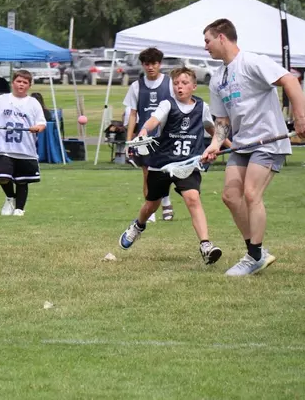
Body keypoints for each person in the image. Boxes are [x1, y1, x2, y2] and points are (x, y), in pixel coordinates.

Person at [201, 18, 305, 276]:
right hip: (242, 143)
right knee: (230, 196)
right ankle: (257, 253)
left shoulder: (253, 62)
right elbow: (222, 122)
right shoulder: (217, 79)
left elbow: (290, 81)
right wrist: (214, 145)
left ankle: (254, 255)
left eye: (207, 41)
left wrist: (301, 118)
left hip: (268, 139)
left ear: (222, 37)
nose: (205, 47)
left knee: (251, 194)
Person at [118, 67, 223, 264]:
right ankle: (138, 226)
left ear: (193, 86)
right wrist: (142, 131)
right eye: (176, 83)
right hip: (162, 164)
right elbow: (153, 120)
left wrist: (226, 145)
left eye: (184, 83)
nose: (179, 87)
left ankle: (206, 245)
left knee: (193, 198)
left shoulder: (202, 107)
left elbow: (213, 129)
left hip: (188, 163)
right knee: (151, 204)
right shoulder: (167, 104)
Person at [0, 70, 47, 216]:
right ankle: (10, 198)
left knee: (22, 181)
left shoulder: (33, 103)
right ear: (13, 82)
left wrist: (37, 128)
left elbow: (42, 123)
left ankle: (19, 209)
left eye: (25, 82)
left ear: (29, 85)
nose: (21, 85)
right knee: (3, 177)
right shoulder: (2, 99)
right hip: (4, 147)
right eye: (18, 81)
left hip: (25, 149)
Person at [123, 48, 175, 222]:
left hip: (166, 136)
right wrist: (129, 140)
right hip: (144, 137)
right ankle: (150, 209)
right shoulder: (136, 86)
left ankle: (166, 202)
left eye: (154, 63)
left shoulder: (169, 83)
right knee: (147, 174)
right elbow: (132, 114)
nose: (150, 67)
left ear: (159, 64)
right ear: (143, 65)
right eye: (147, 64)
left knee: (166, 172)